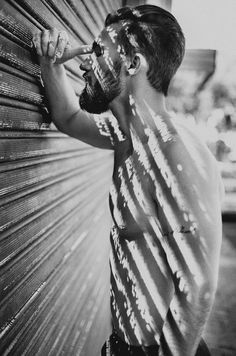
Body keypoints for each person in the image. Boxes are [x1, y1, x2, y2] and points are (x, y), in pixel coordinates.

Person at [33, 5, 223, 356]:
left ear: (133, 63)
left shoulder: (177, 155)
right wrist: (50, 63)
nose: (86, 63)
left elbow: (198, 289)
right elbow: (68, 117)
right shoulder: (125, 135)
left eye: (98, 52)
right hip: (123, 345)